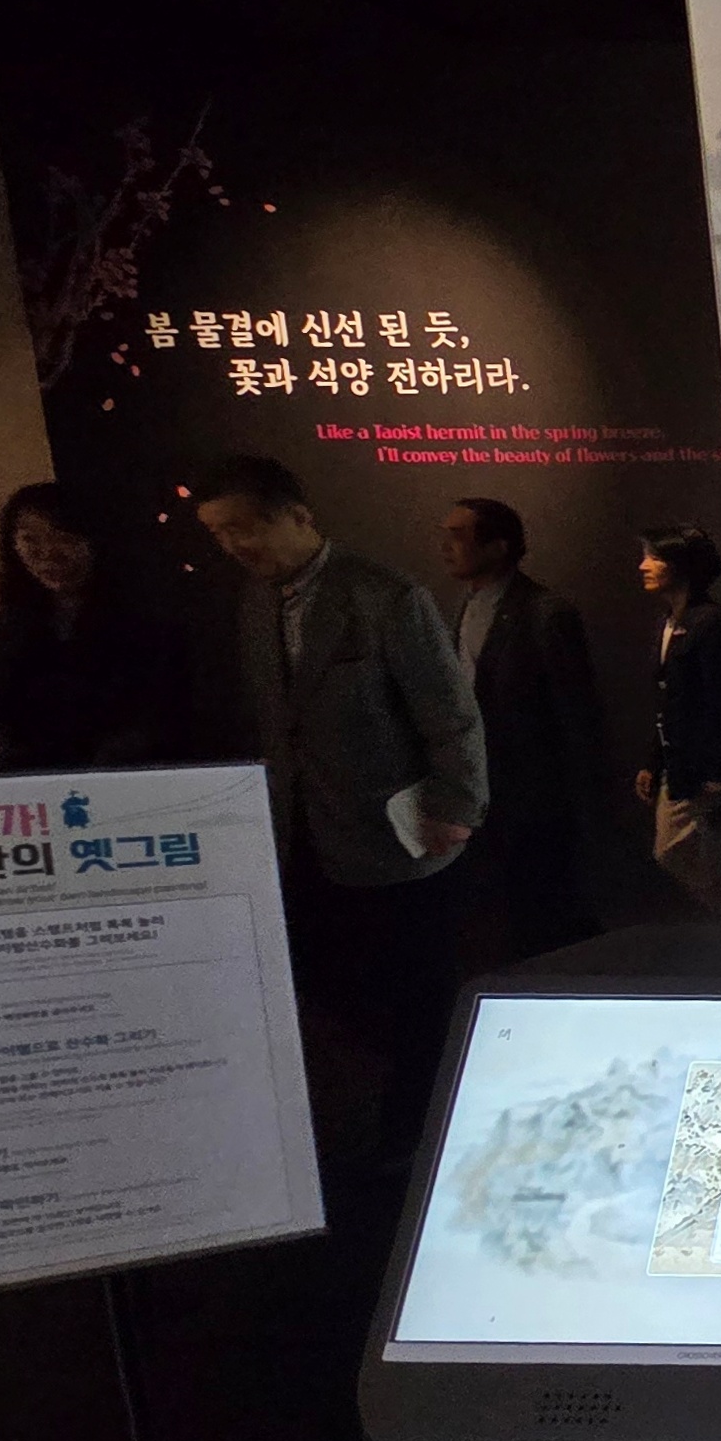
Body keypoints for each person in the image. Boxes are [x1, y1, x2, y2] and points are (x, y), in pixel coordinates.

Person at [195, 454, 486, 1164]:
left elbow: (449, 712)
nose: (234, 545)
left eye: (244, 527)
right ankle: (361, 1133)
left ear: (298, 516)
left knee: (414, 996)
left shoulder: (383, 595)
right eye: (218, 533)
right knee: (335, 992)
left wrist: (457, 803)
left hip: (396, 834)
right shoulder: (256, 603)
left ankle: (421, 1141)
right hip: (303, 834)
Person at [435, 496, 605, 961]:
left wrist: (580, 801)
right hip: (482, 795)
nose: (446, 546)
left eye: (458, 535)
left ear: (498, 546)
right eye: (445, 534)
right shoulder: (461, 608)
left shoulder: (546, 612)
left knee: (542, 917)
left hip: (534, 798)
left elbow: (576, 714)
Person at [0, 483, 186, 769]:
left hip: (131, 773)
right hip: (37, 777)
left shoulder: (145, 619)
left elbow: (156, 715)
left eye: (63, 537)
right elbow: (5, 718)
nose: (48, 553)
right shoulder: (9, 626)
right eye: (30, 540)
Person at [634, 526, 721, 922]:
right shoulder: (668, 622)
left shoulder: (711, 622)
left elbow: (720, 700)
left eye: (654, 557)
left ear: (680, 565)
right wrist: (654, 762)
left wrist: (717, 771)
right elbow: (667, 703)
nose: (643, 566)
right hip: (683, 767)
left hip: (716, 772)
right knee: (675, 851)